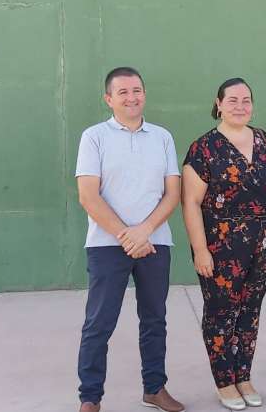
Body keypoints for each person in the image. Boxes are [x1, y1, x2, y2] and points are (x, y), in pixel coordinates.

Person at [75, 67, 185, 412]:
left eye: (136, 90)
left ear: (144, 94)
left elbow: (172, 193)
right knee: (99, 323)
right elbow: (88, 196)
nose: (131, 97)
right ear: (109, 99)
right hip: (107, 245)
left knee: (154, 319)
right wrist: (128, 236)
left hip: (155, 243)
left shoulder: (162, 137)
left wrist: (145, 231)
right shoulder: (94, 137)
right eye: (122, 92)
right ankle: (90, 398)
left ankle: (155, 388)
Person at [181, 78, 266, 411]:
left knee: (250, 312)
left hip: (263, 241)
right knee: (220, 314)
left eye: (246, 100)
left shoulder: (264, 139)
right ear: (218, 104)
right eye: (232, 100)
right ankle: (224, 381)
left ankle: (243, 375)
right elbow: (190, 202)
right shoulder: (203, 148)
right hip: (220, 248)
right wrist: (200, 249)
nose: (240, 106)